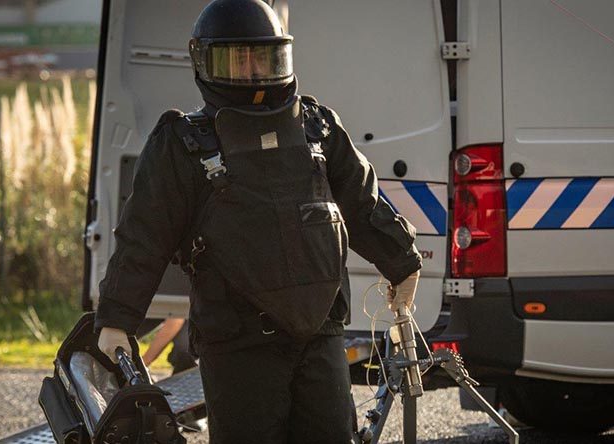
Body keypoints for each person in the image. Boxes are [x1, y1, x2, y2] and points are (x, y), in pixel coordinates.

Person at [94, 0, 421, 442]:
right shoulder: (183, 144)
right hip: (237, 345)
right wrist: (117, 319)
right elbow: (143, 239)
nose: (251, 72)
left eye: (262, 58)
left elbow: (364, 203)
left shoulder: (318, 129)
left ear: (283, 57)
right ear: (204, 61)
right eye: (236, 59)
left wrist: (403, 260)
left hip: (320, 333)